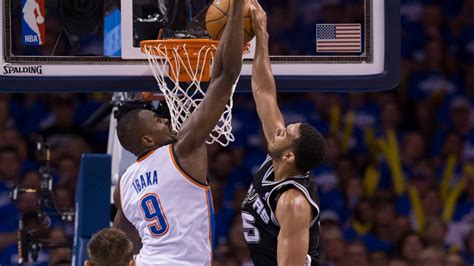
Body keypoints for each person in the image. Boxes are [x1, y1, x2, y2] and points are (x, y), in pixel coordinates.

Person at [112, 0, 244, 265]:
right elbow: (227, 76)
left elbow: (118, 246)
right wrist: (237, 11)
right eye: (158, 121)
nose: (165, 120)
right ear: (147, 139)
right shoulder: (182, 150)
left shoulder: (124, 186)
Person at [240, 0, 327, 265]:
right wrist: (261, 37)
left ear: (289, 156)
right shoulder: (278, 159)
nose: (279, 131)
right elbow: (264, 91)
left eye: (286, 133)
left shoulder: (293, 203)